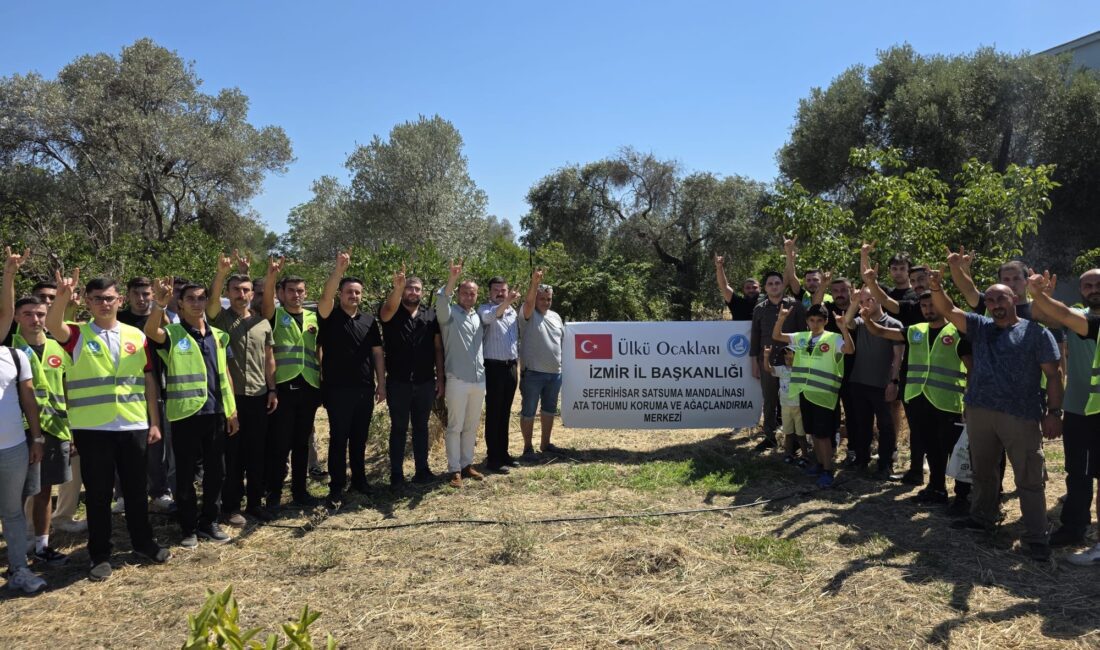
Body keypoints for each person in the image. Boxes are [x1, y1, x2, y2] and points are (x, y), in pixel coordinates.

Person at [46, 270, 171, 581]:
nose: (105, 303)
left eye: (109, 298)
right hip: (93, 429)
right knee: (100, 495)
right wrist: (61, 298)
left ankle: (143, 543)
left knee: (135, 490)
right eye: (98, 299)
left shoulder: (136, 335)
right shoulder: (76, 334)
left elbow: (148, 379)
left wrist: (154, 422)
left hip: (132, 426)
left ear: (118, 300)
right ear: (88, 302)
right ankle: (99, 554)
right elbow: (52, 325)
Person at [929, 268, 1061, 561]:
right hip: (980, 412)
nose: (995, 304)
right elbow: (948, 310)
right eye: (989, 300)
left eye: (1000, 298)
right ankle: (982, 518)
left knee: (1029, 476)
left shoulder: (1035, 332)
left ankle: (1036, 537)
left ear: (1015, 298)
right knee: (983, 471)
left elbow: (1054, 375)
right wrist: (936, 287)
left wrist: (1054, 412)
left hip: (1021, 415)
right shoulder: (980, 327)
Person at [145, 278, 239, 548]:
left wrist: (232, 411)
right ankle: (188, 527)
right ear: (181, 304)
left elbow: (225, 376)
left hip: (216, 414)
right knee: (185, 475)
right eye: (191, 299)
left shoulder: (219, 336)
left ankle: (209, 522)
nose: (197, 304)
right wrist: (159, 304)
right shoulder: (173, 334)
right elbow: (152, 331)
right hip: (185, 415)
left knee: (216, 472)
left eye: (201, 298)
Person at [862, 291, 972, 513]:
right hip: (918, 399)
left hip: (948, 402)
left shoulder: (959, 332)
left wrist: (970, 399)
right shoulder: (916, 331)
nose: (928, 309)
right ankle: (937, 488)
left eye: (932, 305)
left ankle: (962, 497)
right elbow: (881, 331)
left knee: (953, 449)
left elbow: (972, 369)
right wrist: (866, 320)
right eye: (924, 306)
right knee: (931, 448)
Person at [1025, 268, 1100, 563]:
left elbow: (1064, 316)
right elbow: (1044, 316)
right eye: (1088, 285)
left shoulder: (1086, 319)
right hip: (1079, 406)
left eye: (1098, 284)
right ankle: (1074, 527)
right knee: (1078, 472)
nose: (1094, 289)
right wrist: (1042, 298)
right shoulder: (1080, 313)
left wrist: (1040, 295)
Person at [207, 252, 278, 524]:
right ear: (229, 292)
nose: (242, 294)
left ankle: (255, 504)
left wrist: (272, 390)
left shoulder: (262, 322)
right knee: (232, 456)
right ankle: (231, 507)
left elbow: (269, 358)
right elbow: (212, 301)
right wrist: (222, 273)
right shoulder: (220, 319)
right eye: (236, 289)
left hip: (259, 396)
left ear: (252, 293)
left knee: (256, 452)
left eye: (246, 290)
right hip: (231, 399)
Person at [316, 251, 385, 505]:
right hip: (336, 389)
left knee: (359, 437)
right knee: (338, 438)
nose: (353, 296)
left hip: (365, 389)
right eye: (348, 292)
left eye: (357, 292)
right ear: (340, 294)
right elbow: (325, 297)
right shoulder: (329, 316)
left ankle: (359, 481)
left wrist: (382, 384)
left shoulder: (369, 320)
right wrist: (338, 271)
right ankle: (336, 486)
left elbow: (377, 353)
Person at [772, 303, 855, 488]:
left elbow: (849, 350)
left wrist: (843, 329)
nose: (815, 324)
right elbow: (776, 336)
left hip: (824, 395)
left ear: (825, 321)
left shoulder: (833, 338)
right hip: (805, 393)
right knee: (814, 434)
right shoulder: (801, 337)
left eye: (819, 320)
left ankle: (827, 470)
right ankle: (818, 463)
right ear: (807, 321)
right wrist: (781, 319)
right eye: (811, 320)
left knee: (823, 435)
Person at [262, 258, 322, 511]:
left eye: (300, 291)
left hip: (308, 387)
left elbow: (319, 350)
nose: (296, 295)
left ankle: (300, 492)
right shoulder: (275, 315)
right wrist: (271, 276)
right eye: (290, 291)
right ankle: (274, 495)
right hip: (284, 388)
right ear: (280, 294)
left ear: (305, 293)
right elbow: (265, 304)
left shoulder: (313, 317)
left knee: (301, 443)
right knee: (280, 444)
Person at [379, 264, 444, 486]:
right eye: (409, 288)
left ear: (422, 292)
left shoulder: (430, 314)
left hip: (425, 382)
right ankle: (396, 475)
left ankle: (422, 470)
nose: (413, 292)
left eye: (417, 289)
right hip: (399, 383)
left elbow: (437, 349)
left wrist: (440, 378)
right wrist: (397, 287)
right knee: (398, 428)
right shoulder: (390, 311)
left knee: (421, 428)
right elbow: (387, 310)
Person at [117, 276, 176, 514]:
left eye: (146, 294)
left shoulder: (161, 318)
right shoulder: (118, 319)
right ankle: (121, 495)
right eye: (137, 294)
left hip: (156, 389)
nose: (142, 299)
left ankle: (159, 492)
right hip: (125, 391)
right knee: (123, 445)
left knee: (156, 446)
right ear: (128, 295)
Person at [841, 286, 905, 479]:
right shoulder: (860, 322)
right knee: (862, 424)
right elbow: (846, 322)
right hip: (859, 381)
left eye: (870, 300)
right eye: (863, 301)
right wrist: (853, 302)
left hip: (882, 384)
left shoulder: (893, 324)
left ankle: (885, 465)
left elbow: (898, 357)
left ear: (879, 300)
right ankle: (862, 460)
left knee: (885, 426)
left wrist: (893, 381)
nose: (866, 304)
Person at [1, 334, 47, 593]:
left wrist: (37, 438)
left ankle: (19, 569)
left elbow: (29, 400)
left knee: (13, 513)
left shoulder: (16, 356)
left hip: (13, 447)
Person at [437, 259, 487, 488]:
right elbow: (441, 299)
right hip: (457, 378)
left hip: (478, 379)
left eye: (473, 293)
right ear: (459, 294)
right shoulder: (449, 315)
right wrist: (453, 277)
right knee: (455, 426)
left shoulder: (477, 316)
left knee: (471, 425)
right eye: (465, 293)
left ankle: (467, 465)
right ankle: (454, 469)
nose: (469, 296)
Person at [750, 267, 805, 450]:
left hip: (792, 362)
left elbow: (803, 333)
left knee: (794, 402)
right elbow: (755, 337)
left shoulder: (795, 306)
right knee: (770, 400)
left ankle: (796, 439)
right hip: (767, 362)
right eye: (770, 284)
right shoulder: (759, 309)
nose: (774, 286)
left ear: (783, 285)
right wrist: (755, 363)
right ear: (765, 288)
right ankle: (770, 437)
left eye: (777, 283)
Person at [518, 269, 564, 459]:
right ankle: (528, 448)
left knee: (549, 411)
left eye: (548, 299)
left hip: (555, 374)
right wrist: (534, 283)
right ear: (535, 298)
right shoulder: (527, 314)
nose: (545, 302)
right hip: (533, 374)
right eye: (542, 298)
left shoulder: (556, 316)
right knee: (528, 412)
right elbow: (528, 302)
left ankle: (545, 444)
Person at [479, 276, 521, 473]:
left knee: (505, 412)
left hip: (511, 367)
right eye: (496, 290)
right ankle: (493, 457)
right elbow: (491, 317)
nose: (500, 293)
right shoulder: (484, 309)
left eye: (503, 290)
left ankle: (504, 453)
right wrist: (506, 302)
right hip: (494, 368)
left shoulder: (513, 311)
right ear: (489, 292)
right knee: (494, 413)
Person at [763, 344, 810, 466]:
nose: (788, 358)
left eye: (791, 355)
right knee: (788, 433)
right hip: (785, 406)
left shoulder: (802, 371)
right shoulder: (782, 369)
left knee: (801, 434)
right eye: (786, 355)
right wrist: (766, 356)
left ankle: (805, 456)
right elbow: (768, 369)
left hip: (798, 407)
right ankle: (788, 454)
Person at [714, 253, 761, 321]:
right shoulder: (736, 303)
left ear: (760, 289)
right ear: (743, 290)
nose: (751, 290)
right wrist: (719, 267)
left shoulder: (768, 303)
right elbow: (724, 286)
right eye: (748, 288)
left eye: (754, 287)